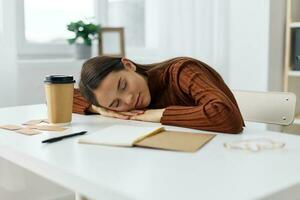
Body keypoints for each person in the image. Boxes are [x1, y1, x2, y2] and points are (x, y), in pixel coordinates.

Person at [73, 56, 244, 134]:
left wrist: (155, 114)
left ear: (128, 65)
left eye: (123, 85)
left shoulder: (180, 72)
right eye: (116, 103)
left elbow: (226, 116)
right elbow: (65, 97)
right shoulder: (108, 103)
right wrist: (100, 109)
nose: (129, 99)